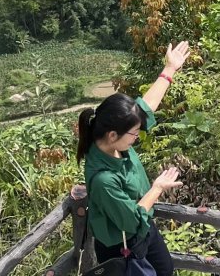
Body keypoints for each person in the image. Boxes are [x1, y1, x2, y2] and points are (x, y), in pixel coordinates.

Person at [77, 41, 190, 276]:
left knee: (165, 270)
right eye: (134, 134)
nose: (137, 138)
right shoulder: (103, 180)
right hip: (122, 245)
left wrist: (169, 69)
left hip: (143, 230)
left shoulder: (115, 141)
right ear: (112, 135)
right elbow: (131, 220)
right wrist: (157, 188)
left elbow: (145, 106)